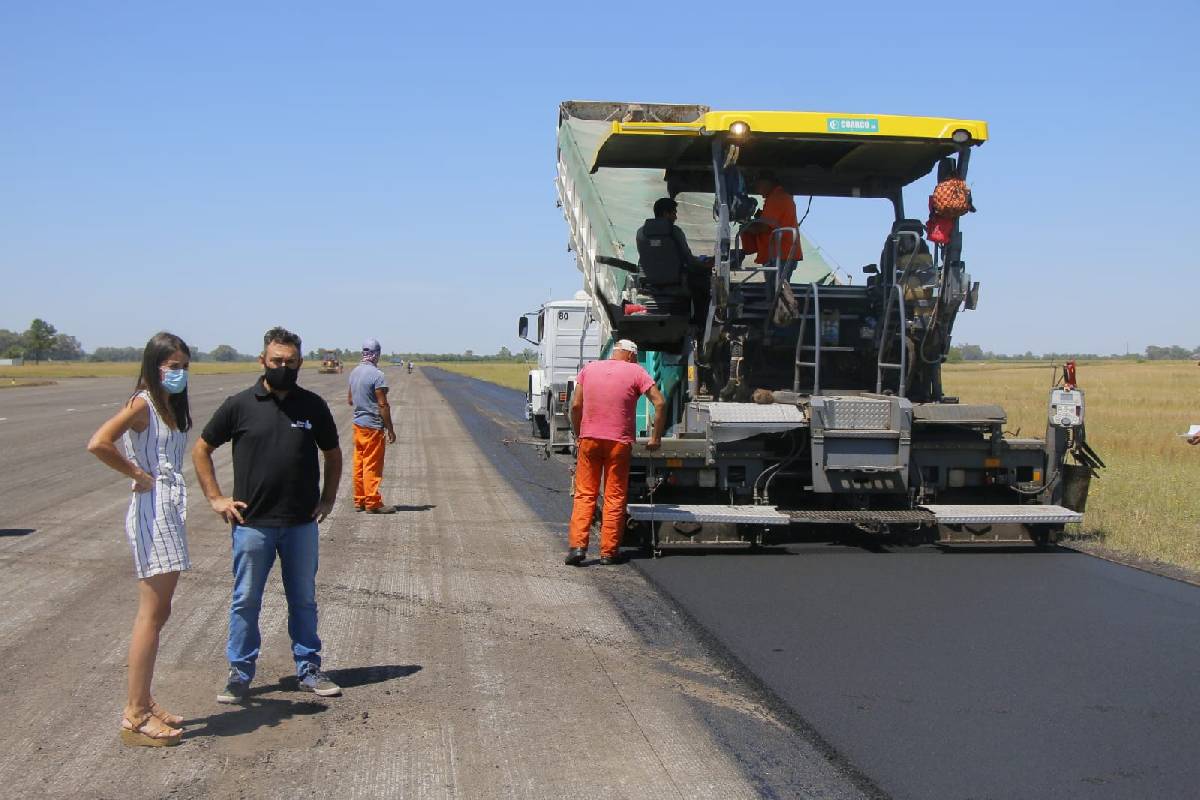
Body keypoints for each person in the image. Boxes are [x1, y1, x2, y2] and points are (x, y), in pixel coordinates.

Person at [192, 326, 344, 702]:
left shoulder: (312, 406)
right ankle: (240, 673)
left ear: (300, 363)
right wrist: (215, 498)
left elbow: (333, 454)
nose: (283, 367)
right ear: (262, 360)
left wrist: (327, 499)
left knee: (303, 599)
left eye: (290, 362)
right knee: (246, 599)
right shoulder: (239, 405)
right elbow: (201, 449)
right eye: (277, 360)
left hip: (300, 525)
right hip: (252, 524)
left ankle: (308, 668)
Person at [87, 332, 193, 747]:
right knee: (150, 614)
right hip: (153, 511)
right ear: (155, 366)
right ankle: (134, 712)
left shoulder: (169, 406)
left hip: (169, 508)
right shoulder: (142, 403)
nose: (179, 373)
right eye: (172, 366)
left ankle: (145, 700)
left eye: (184, 366)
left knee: (161, 610)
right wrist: (135, 473)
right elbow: (99, 442)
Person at [565, 339, 667, 566]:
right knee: (614, 496)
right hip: (618, 444)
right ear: (631, 356)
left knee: (585, 494)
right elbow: (660, 403)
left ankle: (578, 548)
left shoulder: (589, 369)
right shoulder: (636, 372)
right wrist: (655, 438)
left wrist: (578, 432)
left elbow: (575, 406)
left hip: (589, 440)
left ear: (615, 352)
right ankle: (609, 552)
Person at [635, 197, 713, 327]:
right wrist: (706, 265)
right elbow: (689, 261)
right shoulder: (674, 232)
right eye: (674, 213)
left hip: (650, 283)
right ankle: (700, 323)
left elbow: (646, 257)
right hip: (677, 282)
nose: (675, 217)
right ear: (666, 213)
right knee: (704, 281)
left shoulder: (641, 233)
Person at [347, 338, 396, 513]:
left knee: (359, 462)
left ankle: (359, 500)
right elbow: (383, 405)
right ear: (377, 354)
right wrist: (390, 428)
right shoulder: (377, 375)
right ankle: (372, 502)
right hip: (373, 426)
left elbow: (350, 399)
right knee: (372, 464)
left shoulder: (354, 372)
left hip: (358, 424)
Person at [740, 172, 802, 281]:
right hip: (779, 254)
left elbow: (764, 227)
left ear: (767, 183)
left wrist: (746, 227)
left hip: (781, 255)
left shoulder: (777, 198)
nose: (757, 189)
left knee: (776, 293)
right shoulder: (776, 197)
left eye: (758, 185)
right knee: (775, 293)